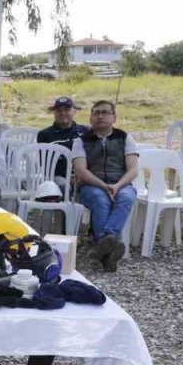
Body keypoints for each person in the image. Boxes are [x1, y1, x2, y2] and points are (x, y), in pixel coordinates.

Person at [72, 100, 140, 271]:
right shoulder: (81, 141)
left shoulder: (124, 137)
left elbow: (133, 170)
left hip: (121, 183)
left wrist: (117, 186)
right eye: (96, 113)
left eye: (105, 112)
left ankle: (104, 244)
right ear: (90, 118)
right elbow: (81, 171)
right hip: (91, 184)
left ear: (114, 117)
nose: (100, 116)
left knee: (126, 197)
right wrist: (104, 186)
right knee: (100, 200)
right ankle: (110, 245)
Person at [36, 96, 88, 181]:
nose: (63, 113)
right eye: (59, 110)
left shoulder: (85, 131)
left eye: (67, 110)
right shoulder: (44, 134)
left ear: (74, 112)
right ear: (54, 113)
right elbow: (45, 164)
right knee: (63, 185)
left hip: (83, 175)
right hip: (58, 177)